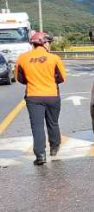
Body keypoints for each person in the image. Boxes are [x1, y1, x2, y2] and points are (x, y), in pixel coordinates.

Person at [16, 31, 66, 166]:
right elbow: (62, 77)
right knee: (53, 123)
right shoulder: (54, 58)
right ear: (44, 43)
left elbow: (19, 78)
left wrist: (33, 81)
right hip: (52, 95)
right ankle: (54, 148)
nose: (49, 45)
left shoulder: (22, 58)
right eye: (48, 42)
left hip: (33, 96)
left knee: (37, 126)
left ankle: (40, 155)